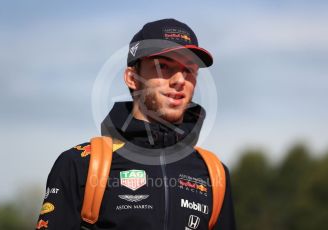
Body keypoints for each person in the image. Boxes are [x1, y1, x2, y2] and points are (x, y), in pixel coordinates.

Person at [36, 18, 236, 230]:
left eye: (189, 70)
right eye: (163, 67)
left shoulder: (214, 173)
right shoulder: (80, 163)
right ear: (132, 78)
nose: (179, 79)